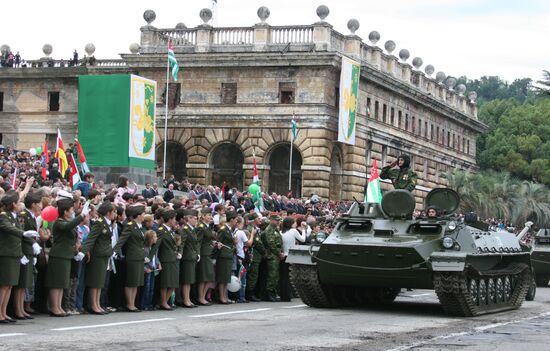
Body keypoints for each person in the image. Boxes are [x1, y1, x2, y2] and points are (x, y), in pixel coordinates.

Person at [45, 194, 88, 317]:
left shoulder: (66, 221)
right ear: (65, 211)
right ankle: (54, 307)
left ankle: (58, 306)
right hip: (59, 255)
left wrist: (75, 252)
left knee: (62, 283)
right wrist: (81, 216)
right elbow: (68, 226)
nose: (72, 211)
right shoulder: (59, 222)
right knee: (56, 283)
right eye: (70, 209)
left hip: (66, 255)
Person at [0, 191, 39, 323]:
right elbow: (8, 228)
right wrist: (23, 233)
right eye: (17, 203)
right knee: (5, 285)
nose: (19, 204)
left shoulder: (13, 216)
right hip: (6, 255)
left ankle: (4, 313)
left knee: (10, 285)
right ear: (13, 204)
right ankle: (0, 313)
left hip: (14, 254)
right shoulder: (3, 216)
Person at [82, 201, 116, 315]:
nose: (115, 213)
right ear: (108, 212)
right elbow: (91, 238)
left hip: (105, 254)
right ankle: (93, 305)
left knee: (100, 282)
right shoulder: (99, 223)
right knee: (95, 281)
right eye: (113, 211)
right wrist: (84, 251)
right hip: (98, 254)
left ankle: (97, 304)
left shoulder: (108, 223)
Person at [13, 192, 42, 320]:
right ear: (34, 204)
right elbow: (24, 233)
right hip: (24, 250)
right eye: (39, 203)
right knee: (21, 283)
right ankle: (18, 310)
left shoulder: (32, 216)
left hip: (30, 251)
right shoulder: (24, 215)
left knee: (25, 283)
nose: (41, 206)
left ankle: (22, 309)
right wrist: (33, 243)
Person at [113, 205, 146, 312]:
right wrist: (115, 251)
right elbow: (122, 240)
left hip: (139, 256)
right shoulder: (130, 226)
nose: (144, 216)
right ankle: (129, 304)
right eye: (143, 214)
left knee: (136, 281)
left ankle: (133, 303)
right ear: (138, 215)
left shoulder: (141, 227)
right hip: (132, 256)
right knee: (131, 281)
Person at [156, 210, 179, 310]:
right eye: (174, 219)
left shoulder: (170, 230)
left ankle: (165, 301)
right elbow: (156, 246)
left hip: (173, 258)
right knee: (165, 283)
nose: (175, 221)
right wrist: (156, 261)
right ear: (169, 219)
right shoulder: (161, 230)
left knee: (173, 283)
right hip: (165, 259)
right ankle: (163, 302)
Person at [280, 217, 306, 301]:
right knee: (290, 277)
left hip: (284, 255)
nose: (295, 224)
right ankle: (289, 294)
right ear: (290, 223)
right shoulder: (293, 231)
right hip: (291, 255)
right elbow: (303, 239)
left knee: (284, 277)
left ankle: (283, 295)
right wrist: (304, 230)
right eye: (294, 222)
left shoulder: (281, 232)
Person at [178, 209, 200, 308]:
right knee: (186, 280)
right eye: (195, 218)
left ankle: (188, 299)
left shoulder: (192, 229)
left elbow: (196, 244)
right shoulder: (185, 229)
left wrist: (197, 253)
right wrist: (180, 253)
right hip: (187, 257)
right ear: (189, 219)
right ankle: (186, 300)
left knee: (190, 280)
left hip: (192, 256)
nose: (196, 220)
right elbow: (182, 243)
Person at [215, 211, 237, 304]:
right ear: (231, 219)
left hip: (229, 255)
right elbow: (218, 242)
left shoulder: (230, 229)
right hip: (223, 256)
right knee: (222, 278)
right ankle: (221, 297)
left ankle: (224, 296)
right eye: (235, 219)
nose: (236, 221)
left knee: (226, 278)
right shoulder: (223, 229)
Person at [195, 207, 215, 305]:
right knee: (203, 277)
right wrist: (198, 253)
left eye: (211, 215)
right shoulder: (201, 227)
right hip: (203, 253)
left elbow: (208, 240)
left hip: (208, 253)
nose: (210, 217)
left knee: (208, 276)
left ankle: (203, 296)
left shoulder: (207, 226)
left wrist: (214, 243)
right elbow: (198, 242)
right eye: (208, 215)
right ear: (203, 216)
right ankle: (200, 297)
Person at [263, 213, 283, 302]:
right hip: (272, 254)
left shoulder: (275, 229)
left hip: (275, 254)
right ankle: (269, 293)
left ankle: (273, 292)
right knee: (272, 275)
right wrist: (278, 253)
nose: (278, 222)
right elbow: (271, 244)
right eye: (276, 220)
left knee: (275, 275)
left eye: (279, 220)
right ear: (271, 220)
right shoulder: (269, 230)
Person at [245, 213, 265, 302]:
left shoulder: (255, 228)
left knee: (254, 274)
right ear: (253, 220)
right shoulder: (251, 228)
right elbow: (257, 242)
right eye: (258, 218)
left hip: (256, 255)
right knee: (253, 275)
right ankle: (250, 293)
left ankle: (251, 292)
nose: (260, 219)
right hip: (254, 255)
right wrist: (264, 251)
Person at [141, 230, 161, 311]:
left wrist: (158, 264)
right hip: (147, 270)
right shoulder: (145, 248)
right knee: (147, 288)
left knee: (151, 288)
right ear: (151, 239)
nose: (156, 238)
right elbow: (142, 260)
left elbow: (155, 257)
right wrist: (145, 269)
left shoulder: (154, 247)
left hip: (153, 269)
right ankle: (144, 304)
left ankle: (149, 304)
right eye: (155, 237)